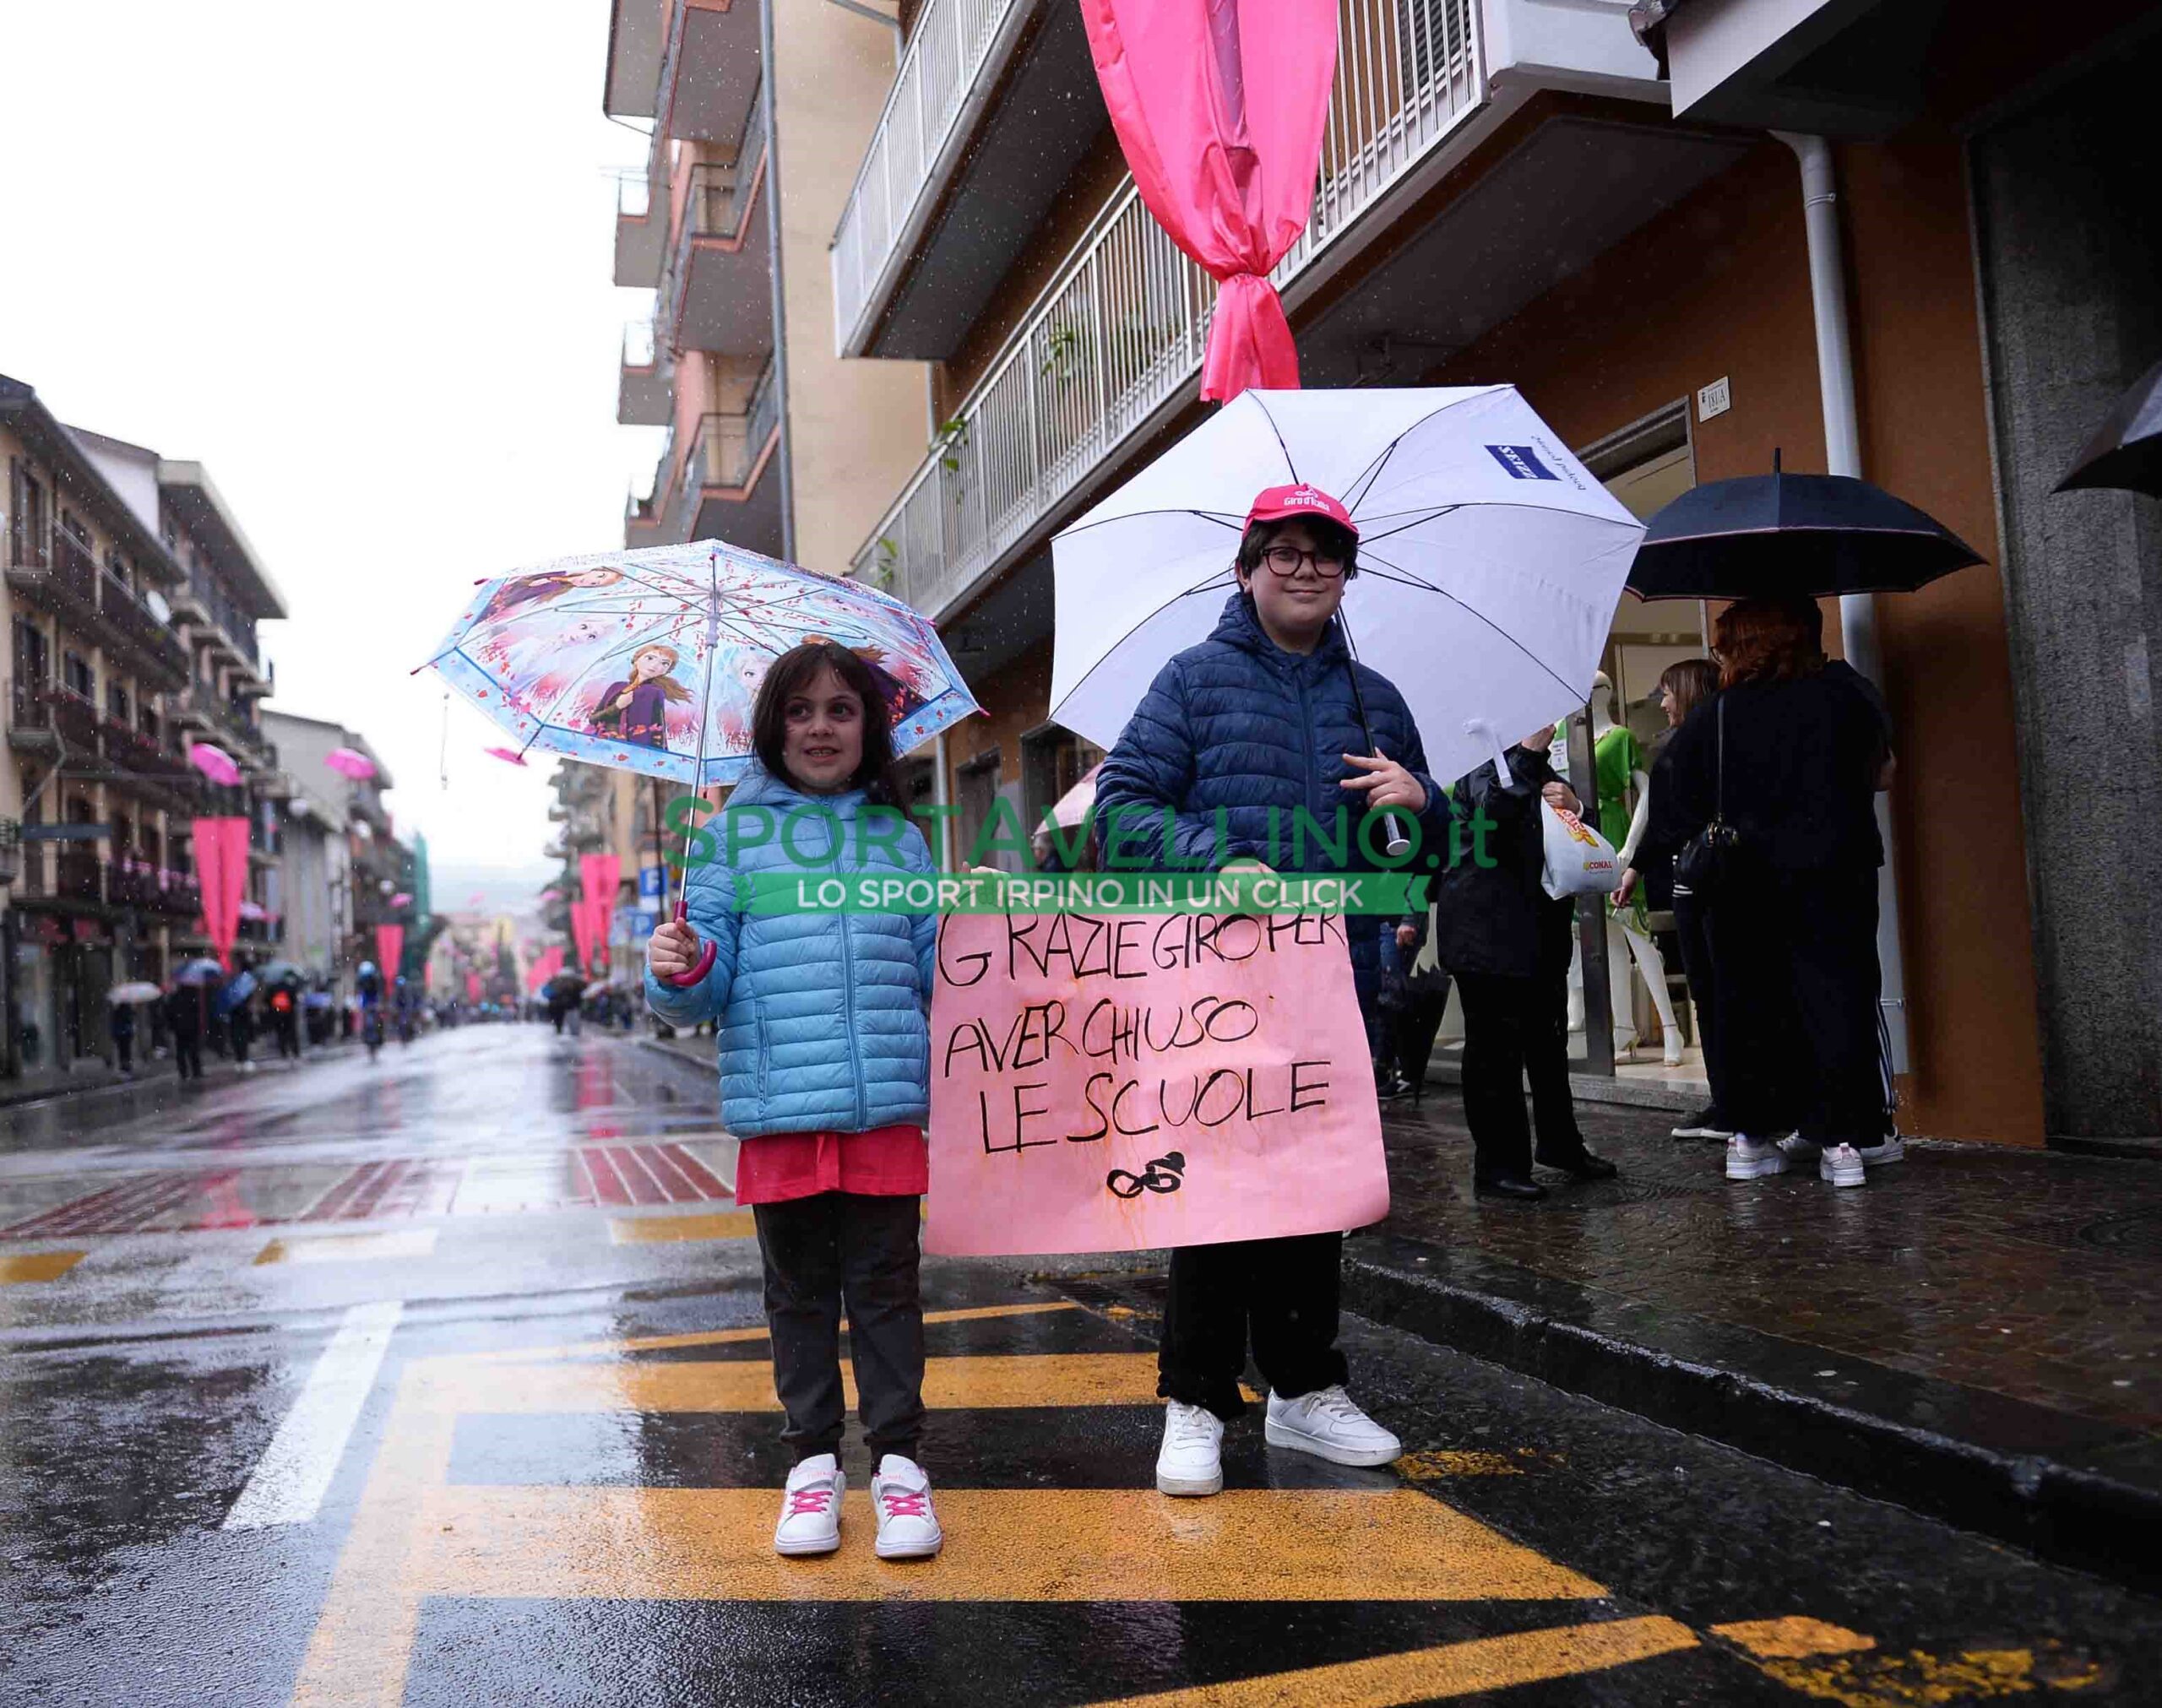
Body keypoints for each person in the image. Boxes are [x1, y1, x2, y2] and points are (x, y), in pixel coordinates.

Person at [1095, 483, 1450, 1500]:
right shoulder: (1192, 680)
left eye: (1324, 555)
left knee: (1313, 1188)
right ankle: (1196, 1397)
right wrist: (1216, 860)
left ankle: (1303, 1387)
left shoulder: (1376, 700)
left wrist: (1423, 805)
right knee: (1215, 1191)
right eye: (1283, 552)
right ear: (1247, 568)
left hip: (1334, 984)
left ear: (1346, 574)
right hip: (1212, 984)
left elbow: (1420, 858)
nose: (1304, 570)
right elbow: (1120, 807)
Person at [646, 639, 944, 1563]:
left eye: (841, 710)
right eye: (801, 710)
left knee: (889, 1294)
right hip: (781, 1113)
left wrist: (988, 939)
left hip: (885, 1106)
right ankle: (811, 1465)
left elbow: (941, 972)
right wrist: (680, 966)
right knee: (799, 1299)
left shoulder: (900, 838)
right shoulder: (727, 838)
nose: (820, 727)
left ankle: (899, 1468)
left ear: (868, 728)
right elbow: (700, 991)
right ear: (772, 727)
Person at [1661, 599, 1898, 1189]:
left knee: (1747, 1005)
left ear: (1742, 647)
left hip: (1740, 883)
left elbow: (1678, 799)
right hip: (1833, 875)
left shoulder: (1715, 714)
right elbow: (1883, 772)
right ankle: (1841, 1143)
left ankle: (1750, 1138)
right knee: (1837, 999)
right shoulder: (1841, 697)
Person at [1430, 731, 1618, 1201]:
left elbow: (1565, 832)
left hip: (1536, 931)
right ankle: (1498, 1167)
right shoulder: (1478, 762)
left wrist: (1576, 806)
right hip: (1487, 934)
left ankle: (1561, 1143)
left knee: (1547, 1045)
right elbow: (1492, 819)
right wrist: (1530, 755)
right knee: (1495, 1054)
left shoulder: (1531, 765)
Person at [1622, 659, 1729, 1140]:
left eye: (1668, 692)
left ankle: (1733, 1104)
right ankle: (1728, 1100)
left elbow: (1665, 821)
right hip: (1701, 880)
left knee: (1717, 992)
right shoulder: (1689, 746)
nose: (1663, 703)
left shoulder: (1691, 748)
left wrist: (1637, 865)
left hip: (1708, 882)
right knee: (1712, 992)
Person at [165, 984, 203, 1083]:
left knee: (181, 1051)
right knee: (193, 1050)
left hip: (179, 1029)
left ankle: (184, 1073)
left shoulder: (173, 998)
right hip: (191, 1028)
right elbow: (196, 1012)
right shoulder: (192, 996)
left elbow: (168, 1013)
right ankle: (196, 1071)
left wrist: (172, 1026)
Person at [109, 998, 137, 1076]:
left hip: (120, 1033)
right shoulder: (127, 1010)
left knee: (122, 1051)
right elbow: (129, 1019)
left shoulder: (117, 1011)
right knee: (126, 1051)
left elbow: (115, 1022)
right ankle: (126, 1067)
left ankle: (124, 1067)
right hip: (125, 1033)